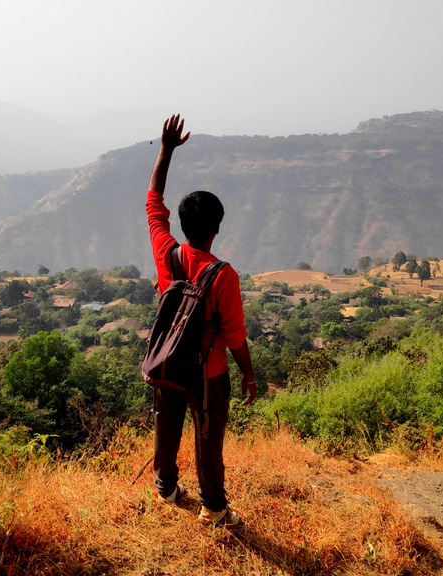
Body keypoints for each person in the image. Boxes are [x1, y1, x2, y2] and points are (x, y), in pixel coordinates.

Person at [145, 114, 257, 528]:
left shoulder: (166, 252)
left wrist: (166, 149)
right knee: (208, 439)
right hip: (208, 372)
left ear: (184, 224)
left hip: (166, 360)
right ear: (217, 229)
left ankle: (166, 487)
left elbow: (152, 201)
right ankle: (213, 508)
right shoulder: (223, 275)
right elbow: (235, 335)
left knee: (166, 425)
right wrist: (248, 376)